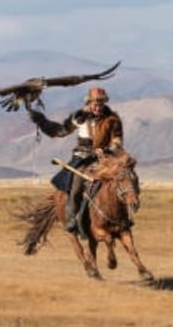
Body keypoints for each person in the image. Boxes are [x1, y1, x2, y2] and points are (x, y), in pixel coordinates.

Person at [28, 86, 124, 234]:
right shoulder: (79, 117)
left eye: (101, 103)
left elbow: (117, 140)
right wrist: (42, 122)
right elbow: (62, 131)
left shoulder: (113, 119)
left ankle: (124, 217)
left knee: (125, 181)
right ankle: (72, 218)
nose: (98, 107)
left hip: (105, 159)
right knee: (76, 187)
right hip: (83, 158)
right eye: (95, 104)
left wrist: (106, 150)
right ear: (89, 103)